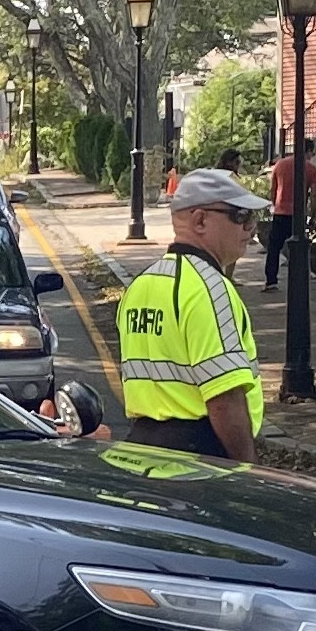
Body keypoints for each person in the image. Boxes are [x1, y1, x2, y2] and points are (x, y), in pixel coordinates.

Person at [115, 169, 268, 461]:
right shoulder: (210, 290)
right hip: (201, 457)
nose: (250, 228)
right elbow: (225, 398)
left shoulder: (141, 285)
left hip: (141, 451)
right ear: (200, 220)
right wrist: (249, 472)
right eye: (240, 216)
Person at [262, 139, 316, 291]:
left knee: (274, 248)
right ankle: (299, 280)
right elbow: (314, 195)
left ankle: (271, 280)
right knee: (300, 247)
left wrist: (275, 205)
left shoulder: (280, 165)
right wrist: (312, 217)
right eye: (312, 152)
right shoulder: (311, 169)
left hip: (281, 212)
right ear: (308, 151)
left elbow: (273, 189)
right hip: (298, 214)